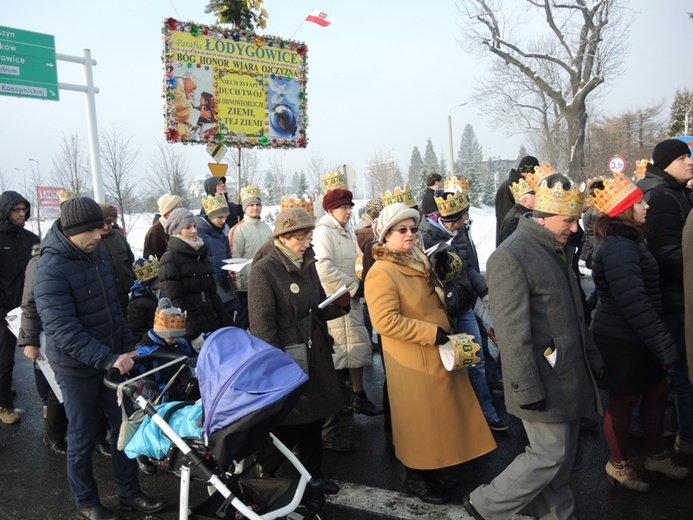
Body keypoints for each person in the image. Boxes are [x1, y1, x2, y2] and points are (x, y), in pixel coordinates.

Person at [464, 174, 604, 520]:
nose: (574, 229)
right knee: (549, 457)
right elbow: (512, 334)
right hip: (542, 380)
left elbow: (574, 312)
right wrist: (525, 387)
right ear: (542, 218)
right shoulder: (511, 257)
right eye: (568, 220)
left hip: (569, 374)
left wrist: (593, 357)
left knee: (562, 463)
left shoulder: (556, 249)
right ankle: (486, 505)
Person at [33, 196, 165, 519]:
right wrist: (107, 358)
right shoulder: (49, 269)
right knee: (81, 434)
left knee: (124, 427)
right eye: (91, 231)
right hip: (76, 367)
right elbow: (63, 330)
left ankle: (128, 492)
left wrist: (125, 347)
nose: (99, 235)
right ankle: (86, 502)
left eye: (101, 228)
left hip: (110, 358)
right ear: (71, 231)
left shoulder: (99, 254)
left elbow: (113, 310)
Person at [365, 202, 496, 504]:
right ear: (385, 235)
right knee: (419, 423)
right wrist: (430, 333)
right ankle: (415, 477)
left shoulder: (415, 259)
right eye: (401, 229)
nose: (410, 233)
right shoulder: (382, 271)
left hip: (436, 354)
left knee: (440, 420)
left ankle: (435, 467)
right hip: (414, 361)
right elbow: (384, 321)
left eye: (413, 228)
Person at [587, 172, 688, 492]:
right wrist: (664, 345)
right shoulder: (619, 248)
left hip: (636, 336)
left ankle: (656, 456)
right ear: (624, 210)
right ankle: (618, 463)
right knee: (623, 401)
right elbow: (635, 304)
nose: (646, 206)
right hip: (621, 339)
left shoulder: (628, 240)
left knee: (657, 392)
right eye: (639, 202)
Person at [248, 207, 351, 496]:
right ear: (284, 237)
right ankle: (265, 467)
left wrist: (340, 304)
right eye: (302, 238)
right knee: (293, 421)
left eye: (309, 237)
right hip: (288, 357)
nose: (307, 244)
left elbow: (315, 308)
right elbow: (262, 326)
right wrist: (277, 366)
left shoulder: (307, 261)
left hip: (314, 352)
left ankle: (313, 476)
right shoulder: (264, 269)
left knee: (315, 419)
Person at [420, 191, 508, 432]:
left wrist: (484, 291)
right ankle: (459, 417)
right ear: (451, 219)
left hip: (466, 308)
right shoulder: (426, 238)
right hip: (444, 312)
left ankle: (486, 412)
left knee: (475, 359)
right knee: (453, 365)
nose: (467, 218)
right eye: (464, 215)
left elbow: (468, 268)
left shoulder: (459, 233)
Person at [637, 138, 693, 456]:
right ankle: (686, 437)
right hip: (675, 300)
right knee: (682, 372)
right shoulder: (662, 196)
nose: (690, 161)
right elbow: (665, 252)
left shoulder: (677, 193)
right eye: (683, 157)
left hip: (680, 296)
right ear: (667, 163)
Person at [313, 187, 381, 416]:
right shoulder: (323, 232)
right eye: (343, 207)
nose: (349, 211)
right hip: (336, 301)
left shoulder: (343, 230)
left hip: (347, 299)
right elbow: (323, 267)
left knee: (355, 349)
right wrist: (352, 287)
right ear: (331, 209)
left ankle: (357, 397)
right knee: (341, 352)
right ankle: (338, 407)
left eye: (350, 206)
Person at [159, 208, 233, 350]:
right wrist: (192, 334)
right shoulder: (170, 259)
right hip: (193, 328)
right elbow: (174, 302)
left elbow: (212, 294)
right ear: (177, 230)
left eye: (194, 226)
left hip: (212, 322)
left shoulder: (200, 254)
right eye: (187, 227)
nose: (193, 231)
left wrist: (228, 325)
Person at [0, 190, 40, 425]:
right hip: (4, 312)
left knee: (40, 356)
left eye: (24, 209)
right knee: (5, 362)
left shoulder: (32, 239)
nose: (21, 214)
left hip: (31, 309)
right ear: (6, 212)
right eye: (16, 210)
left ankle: (48, 401)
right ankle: (5, 404)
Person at [229, 185, 273, 331]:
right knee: (242, 323)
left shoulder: (266, 228)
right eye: (251, 205)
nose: (255, 208)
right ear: (245, 208)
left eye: (258, 204)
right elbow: (234, 258)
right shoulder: (238, 230)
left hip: (265, 283)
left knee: (261, 322)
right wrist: (239, 286)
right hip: (246, 287)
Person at [195, 194, 240, 322]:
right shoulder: (199, 234)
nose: (223, 221)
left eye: (226, 217)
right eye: (220, 217)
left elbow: (226, 255)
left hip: (225, 288)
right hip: (210, 290)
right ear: (210, 217)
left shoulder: (222, 232)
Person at [98, 204, 135, 316]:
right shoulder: (90, 242)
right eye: (103, 223)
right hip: (104, 301)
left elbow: (130, 259)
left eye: (109, 223)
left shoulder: (118, 237)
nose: (106, 227)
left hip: (125, 296)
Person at [494, 155, 539, 246]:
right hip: (510, 244)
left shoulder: (526, 186)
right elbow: (506, 220)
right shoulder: (506, 188)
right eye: (534, 176)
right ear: (529, 173)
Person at [127, 256, 161, 343]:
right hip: (150, 342)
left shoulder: (156, 294)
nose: (161, 281)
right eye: (158, 279)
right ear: (151, 282)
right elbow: (136, 331)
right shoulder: (137, 304)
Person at [143, 194, 182, 260]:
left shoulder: (184, 226)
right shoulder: (154, 233)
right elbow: (150, 261)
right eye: (180, 208)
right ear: (170, 211)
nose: (183, 211)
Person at [498, 177, 535, 244]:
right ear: (525, 200)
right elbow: (509, 247)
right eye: (535, 196)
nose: (538, 199)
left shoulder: (522, 212)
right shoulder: (514, 220)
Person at [173, 72, 210, 138]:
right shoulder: (177, 85)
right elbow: (181, 107)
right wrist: (199, 114)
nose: (192, 91)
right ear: (187, 80)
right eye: (193, 88)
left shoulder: (182, 88)